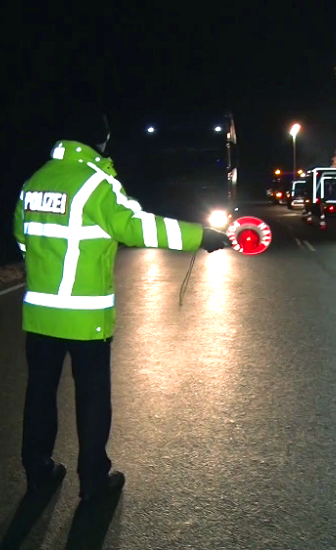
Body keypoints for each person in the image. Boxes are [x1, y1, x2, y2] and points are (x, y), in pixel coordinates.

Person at [12, 107, 229, 501]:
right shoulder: (97, 184)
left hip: (39, 314)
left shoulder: (34, 182)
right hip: (84, 317)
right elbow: (138, 225)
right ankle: (94, 481)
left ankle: (38, 470)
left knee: (40, 394)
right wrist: (201, 235)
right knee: (92, 399)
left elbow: (23, 239)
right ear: (101, 140)